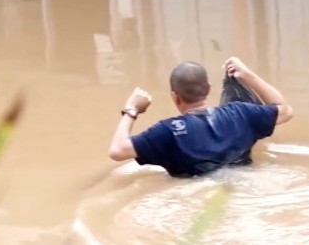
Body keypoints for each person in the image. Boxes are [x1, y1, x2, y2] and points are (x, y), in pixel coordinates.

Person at [108, 57, 294, 177]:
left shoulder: (168, 132)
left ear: (174, 97)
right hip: (245, 183)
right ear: (209, 89)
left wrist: (131, 110)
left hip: (194, 194)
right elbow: (284, 110)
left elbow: (117, 150)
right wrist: (247, 75)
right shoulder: (241, 113)